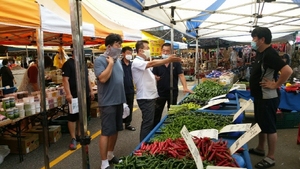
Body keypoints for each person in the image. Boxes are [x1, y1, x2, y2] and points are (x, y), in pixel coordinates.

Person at [249, 27, 292, 169]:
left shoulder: (270, 54)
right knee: (260, 124)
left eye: (255, 37)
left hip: (267, 97)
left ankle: (271, 156)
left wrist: (275, 85)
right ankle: (260, 148)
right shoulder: (260, 53)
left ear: (262, 39)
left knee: (270, 127)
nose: (253, 40)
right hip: (260, 96)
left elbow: (287, 70)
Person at [131, 40, 182, 142]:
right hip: (145, 98)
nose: (149, 50)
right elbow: (152, 64)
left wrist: (154, 77)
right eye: (147, 48)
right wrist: (168, 60)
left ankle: (149, 142)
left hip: (151, 96)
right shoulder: (137, 62)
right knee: (148, 123)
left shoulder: (142, 62)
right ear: (140, 50)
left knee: (150, 121)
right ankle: (144, 146)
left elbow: (146, 73)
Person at [94, 33, 125, 169]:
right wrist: (110, 64)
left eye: (120, 45)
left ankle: (110, 154)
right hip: (107, 102)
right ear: (109, 46)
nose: (119, 48)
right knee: (106, 131)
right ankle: (103, 161)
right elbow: (103, 78)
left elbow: (120, 81)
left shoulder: (117, 61)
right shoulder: (100, 60)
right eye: (117, 45)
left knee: (116, 129)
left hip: (118, 101)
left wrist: (124, 102)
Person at [152, 43, 193, 128]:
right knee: (157, 113)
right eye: (164, 51)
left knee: (172, 112)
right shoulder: (158, 62)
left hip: (173, 91)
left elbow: (181, 75)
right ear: (161, 51)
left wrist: (185, 87)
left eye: (167, 51)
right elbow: (153, 75)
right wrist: (155, 77)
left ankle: (171, 128)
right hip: (160, 92)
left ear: (171, 52)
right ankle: (154, 129)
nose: (165, 53)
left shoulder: (176, 63)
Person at [62, 45, 94, 150]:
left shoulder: (83, 64)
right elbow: (65, 80)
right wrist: (68, 94)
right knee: (72, 116)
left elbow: (87, 77)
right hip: (74, 95)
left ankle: (80, 134)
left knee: (82, 115)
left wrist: (90, 90)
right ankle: (73, 138)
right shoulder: (68, 64)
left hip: (84, 94)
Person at [121, 46, 136, 131]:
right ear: (123, 54)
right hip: (121, 90)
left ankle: (128, 124)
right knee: (121, 107)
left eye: (130, 53)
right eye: (128, 53)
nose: (129, 55)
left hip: (130, 89)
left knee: (129, 107)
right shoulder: (119, 64)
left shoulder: (132, 64)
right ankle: (120, 123)